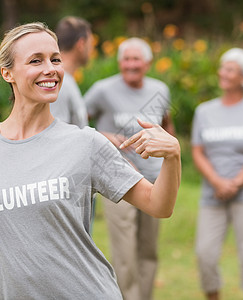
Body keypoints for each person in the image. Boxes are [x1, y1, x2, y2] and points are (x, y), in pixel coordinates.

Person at [0, 22, 181, 299]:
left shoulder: (86, 143)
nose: (51, 69)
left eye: (55, 59)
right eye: (36, 61)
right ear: (7, 73)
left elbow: (158, 205)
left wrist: (172, 157)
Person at [84, 37, 175, 300]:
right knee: (124, 254)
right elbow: (75, 122)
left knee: (148, 251)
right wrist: (104, 135)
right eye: (126, 59)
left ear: (147, 63)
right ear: (119, 62)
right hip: (118, 183)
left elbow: (167, 125)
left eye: (136, 59)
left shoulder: (160, 90)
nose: (131, 64)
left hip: (154, 180)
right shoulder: (103, 90)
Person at [191, 48, 243, 300]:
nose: (223, 73)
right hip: (212, 194)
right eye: (223, 67)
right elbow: (197, 151)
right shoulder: (204, 111)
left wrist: (235, 183)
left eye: (230, 69)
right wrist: (217, 182)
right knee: (205, 253)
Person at [50, 16, 93, 128]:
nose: (92, 50)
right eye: (91, 45)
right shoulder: (59, 83)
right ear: (81, 44)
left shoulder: (67, 80)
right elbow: (55, 134)